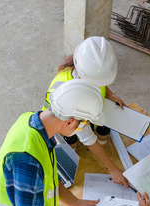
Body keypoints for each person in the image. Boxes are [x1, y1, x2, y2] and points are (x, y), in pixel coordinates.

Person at [43, 36, 130, 187]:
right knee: (72, 151)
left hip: (80, 116)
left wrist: (110, 95)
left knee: (103, 136)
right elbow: (87, 137)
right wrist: (112, 169)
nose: (100, 84)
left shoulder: (86, 72)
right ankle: (71, 142)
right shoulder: (71, 97)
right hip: (63, 128)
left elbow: (100, 82)